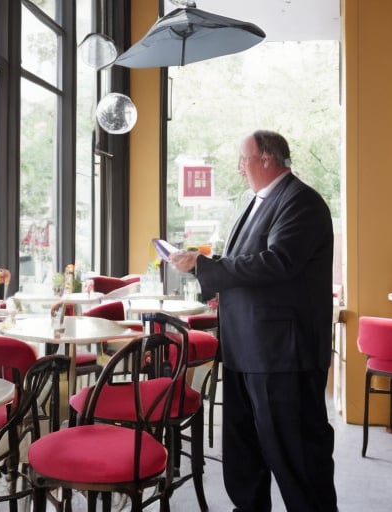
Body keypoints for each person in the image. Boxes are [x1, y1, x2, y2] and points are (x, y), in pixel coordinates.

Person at [170, 130, 337, 511]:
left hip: (283, 357)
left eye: (244, 159)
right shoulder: (259, 202)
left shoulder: (301, 202)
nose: (240, 168)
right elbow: (249, 268)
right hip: (247, 350)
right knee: (244, 455)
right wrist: (218, 287)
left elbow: (278, 262)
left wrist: (206, 266)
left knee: (297, 458)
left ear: (267, 159)